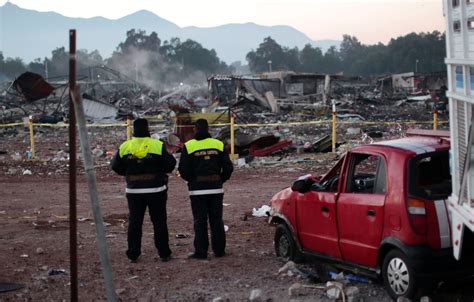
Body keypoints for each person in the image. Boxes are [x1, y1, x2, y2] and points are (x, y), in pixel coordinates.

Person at [111, 118, 176, 263]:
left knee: (135, 222)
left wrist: (129, 174)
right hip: (156, 190)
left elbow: (115, 166)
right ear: (148, 129)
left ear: (133, 130)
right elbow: (170, 165)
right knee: (159, 222)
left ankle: (133, 254)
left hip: (134, 191)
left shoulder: (125, 146)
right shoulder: (157, 145)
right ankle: (164, 253)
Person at [178, 119, 234, 259]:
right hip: (215, 188)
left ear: (195, 129)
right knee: (216, 220)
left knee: (200, 221)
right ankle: (219, 251)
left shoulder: (189, 146)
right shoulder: (218, 144)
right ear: (208, 129)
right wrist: (220, 179)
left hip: (197, 190)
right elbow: (228, 167)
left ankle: (201, 252)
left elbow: (183, 169)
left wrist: (192, 181)